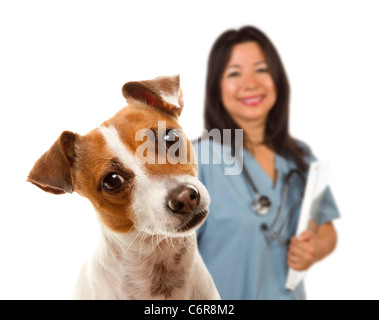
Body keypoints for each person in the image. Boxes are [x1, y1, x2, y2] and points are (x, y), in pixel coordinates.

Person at [193, 26, 340, 300]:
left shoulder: (300, 157)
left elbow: (326, 228)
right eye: (234, 73)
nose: (251, 83)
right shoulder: (195, 161)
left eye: (261, 69)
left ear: (277, 79)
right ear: (217, 87)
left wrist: (315, 248)